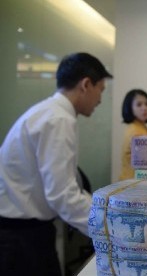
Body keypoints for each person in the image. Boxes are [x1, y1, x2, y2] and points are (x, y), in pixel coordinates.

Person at [0, 52, 112, 275]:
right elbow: (63, 195)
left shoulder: (49, 112)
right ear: (86, 85)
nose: (100, 99)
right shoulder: (58, 119)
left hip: (21, 231)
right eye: (101, 90)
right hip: (20, 238)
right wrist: (111, 228)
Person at [119, 89, 147, 180]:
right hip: (133, 184)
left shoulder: (139, 126)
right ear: (130, 108)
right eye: (139, 104)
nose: (144, 108)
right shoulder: (136, 131)